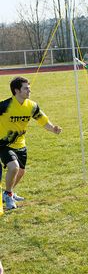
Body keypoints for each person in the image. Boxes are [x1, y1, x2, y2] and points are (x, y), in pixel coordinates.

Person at [1, 76, 62, 210]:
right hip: (4, 144)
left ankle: (6, 192)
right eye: (26, 88)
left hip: (21, 144)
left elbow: (42, 120)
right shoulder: (5, 105)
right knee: (14, 167)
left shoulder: (32, 106)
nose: (29, 91)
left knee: (21, 172)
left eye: (29, 88)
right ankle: (9, 195)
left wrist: (53, 129)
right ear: (16, 91)